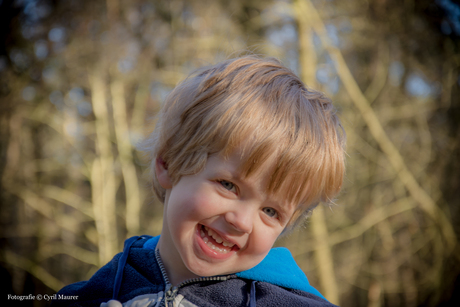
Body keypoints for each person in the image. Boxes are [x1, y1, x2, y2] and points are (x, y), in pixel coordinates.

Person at [52, 56, 346, 307]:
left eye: (271, 212)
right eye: (228, 185)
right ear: (169, 163)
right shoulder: (95, 294)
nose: (241, 222)